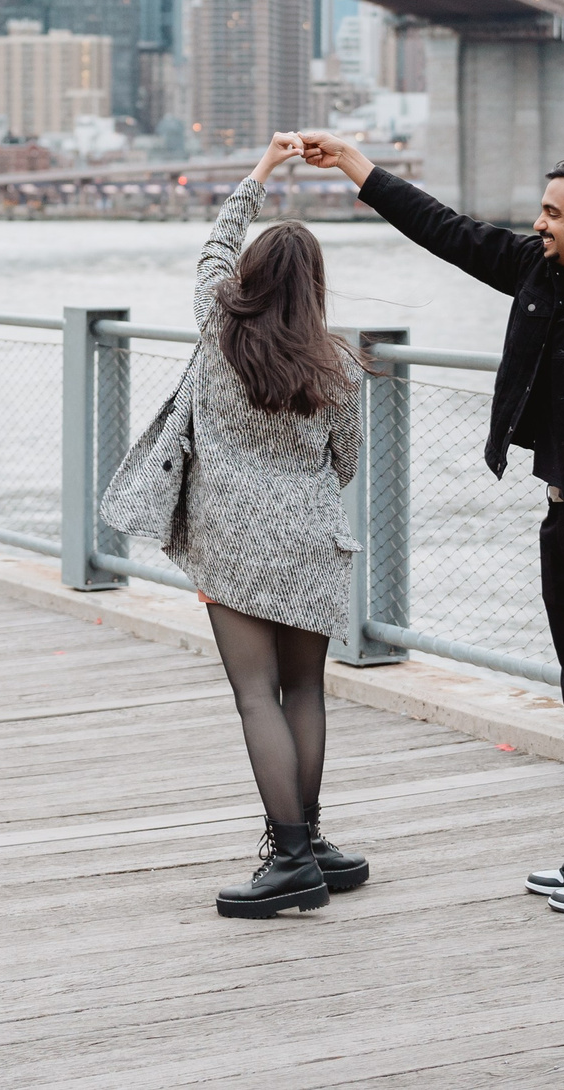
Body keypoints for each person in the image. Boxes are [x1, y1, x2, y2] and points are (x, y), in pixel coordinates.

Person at [297, 133, 564, 916]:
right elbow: (447, 230)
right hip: (561, 521)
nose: (538, 223)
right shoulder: (541, 277)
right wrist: (354, 166)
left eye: (552, 212)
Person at [108, 133, 369, 919]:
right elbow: (346, 462)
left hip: (230, 543)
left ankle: (290, 859)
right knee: (305, 693)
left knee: (256, 696)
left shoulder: (217, 328)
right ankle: (311, 839)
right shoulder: (339, 365)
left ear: (253, 278)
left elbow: (213, 248)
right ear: (317, 287)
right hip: (312, 541)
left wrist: (264, 168)